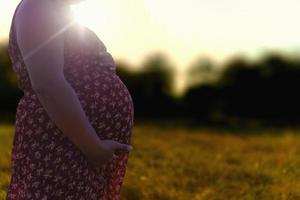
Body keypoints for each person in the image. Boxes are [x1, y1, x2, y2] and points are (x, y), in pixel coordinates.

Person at [6, 0, 134, 199]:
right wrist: (94, 148)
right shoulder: (38, 6)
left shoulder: (59, 13)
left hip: (75, 146)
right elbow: (48, 84)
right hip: (59, 144)